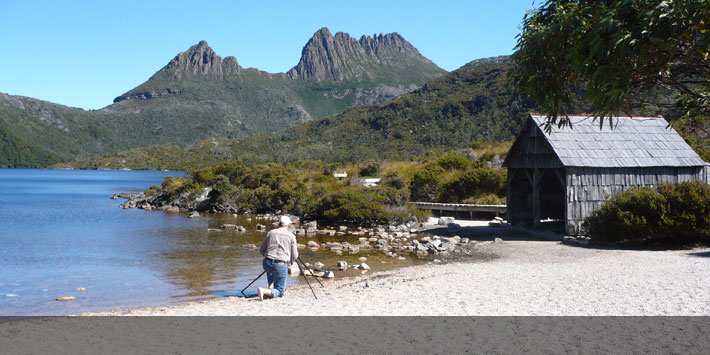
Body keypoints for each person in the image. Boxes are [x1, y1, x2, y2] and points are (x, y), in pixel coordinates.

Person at [257, 215, 298, 301]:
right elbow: (294, 256)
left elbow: (262, 249)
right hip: (280, 264)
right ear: (288, 225)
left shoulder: (271, 232)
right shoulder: (291, 236)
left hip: (267, 262)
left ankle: (270, 289)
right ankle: (263, 291)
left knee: (271, 270)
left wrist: (268, 256)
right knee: (280, 292)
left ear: (279, 224)